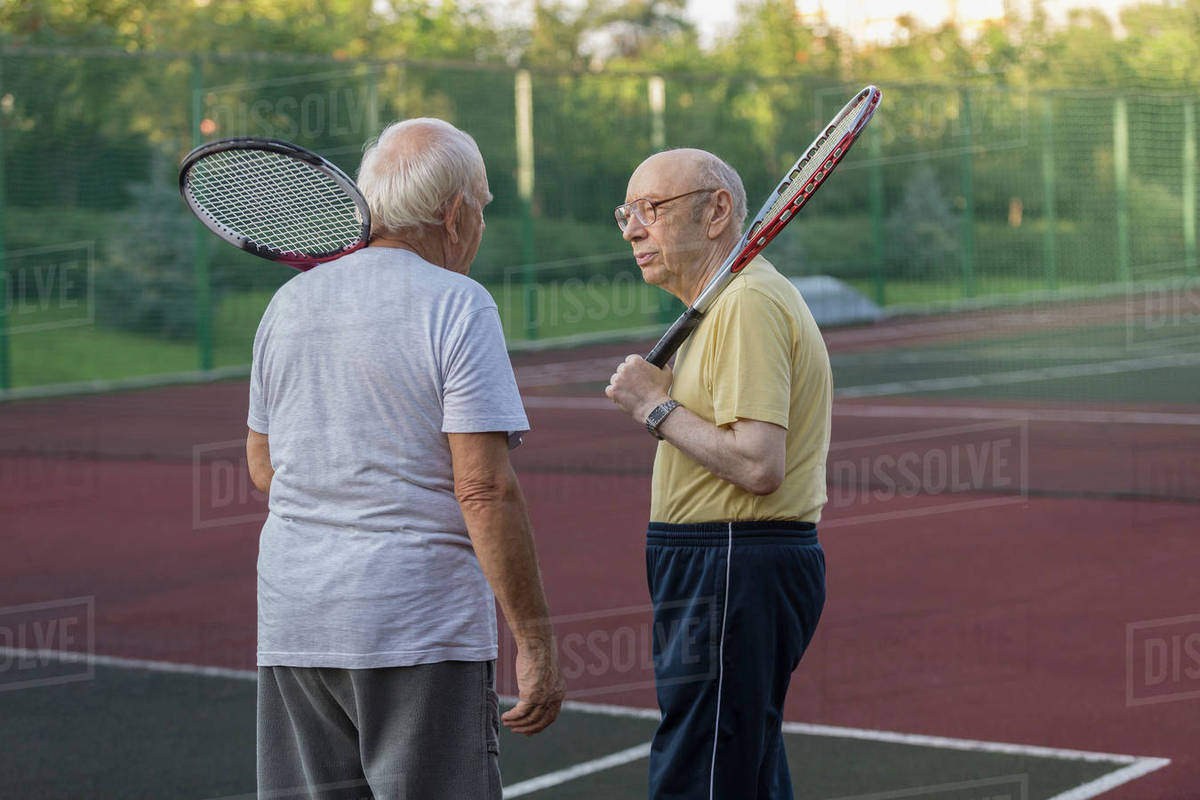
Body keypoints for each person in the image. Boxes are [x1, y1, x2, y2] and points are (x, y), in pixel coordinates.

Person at [246, 117, 564, 800]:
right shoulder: (459, 305)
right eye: (480, 208)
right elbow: (484, 491)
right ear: (454, 215)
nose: (480, 226)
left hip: (294, 621)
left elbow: (264, 467)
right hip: (416, 627)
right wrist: (534, 644)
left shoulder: (286, 304)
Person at [605, 148, 830, 800]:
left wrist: (654, 406)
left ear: (718, 212)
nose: (632, 229)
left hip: (733, 557)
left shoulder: (746, 303)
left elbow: (759, 464)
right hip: (717, 558)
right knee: (741, 769)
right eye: (626, 213)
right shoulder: (723, 304)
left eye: (652, 209)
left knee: (701, 772)